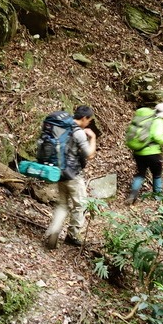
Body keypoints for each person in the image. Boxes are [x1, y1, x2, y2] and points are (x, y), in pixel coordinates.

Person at [44, 105, 97, 249]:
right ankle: (72, 235)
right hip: (73, 175)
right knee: (81, 204)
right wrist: (93, 138)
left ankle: (54, 231)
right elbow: (90, 154)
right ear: (84, 118)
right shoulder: (79, 133)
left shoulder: (61, 127)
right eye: (89, 120)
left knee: (62, 204)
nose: (89, 123)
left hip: (59, 173)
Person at [126, 102, 163, 204]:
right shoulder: (159, 121)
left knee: (140, 174)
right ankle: (158, 197)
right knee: (157, 174)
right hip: (152, 153)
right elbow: (157, 136)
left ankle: (132, 194)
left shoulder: (147, 119)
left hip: (138, 152)